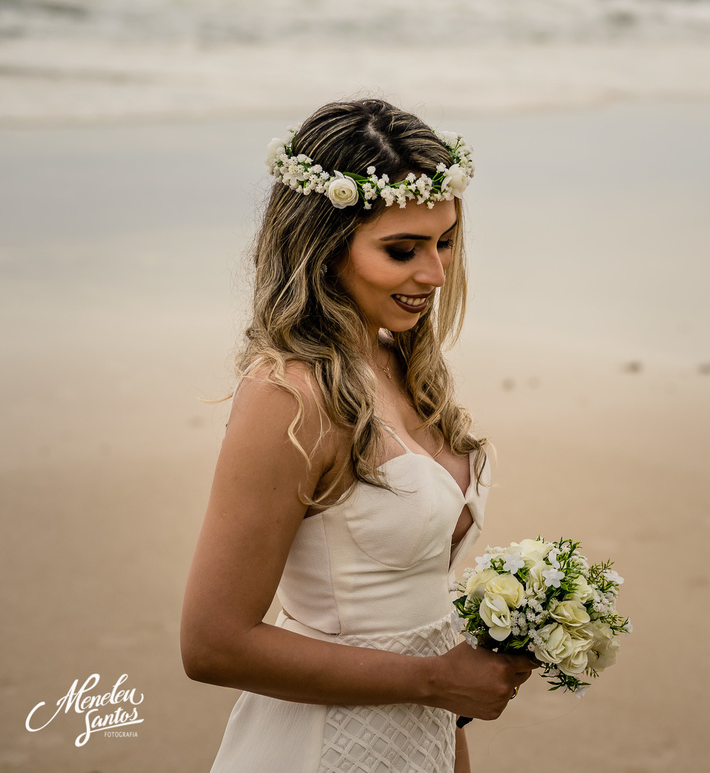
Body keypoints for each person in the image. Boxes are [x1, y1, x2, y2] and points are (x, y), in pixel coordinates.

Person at [180, 99, 537, 773]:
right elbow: (212, 643)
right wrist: (437, 681)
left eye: (445, 241)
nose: (433, 274)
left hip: (418, 743)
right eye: (401, 250)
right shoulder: (287, 397)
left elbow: (422, 613)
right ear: (324, 246)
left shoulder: (402, 363)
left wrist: (450, 733)